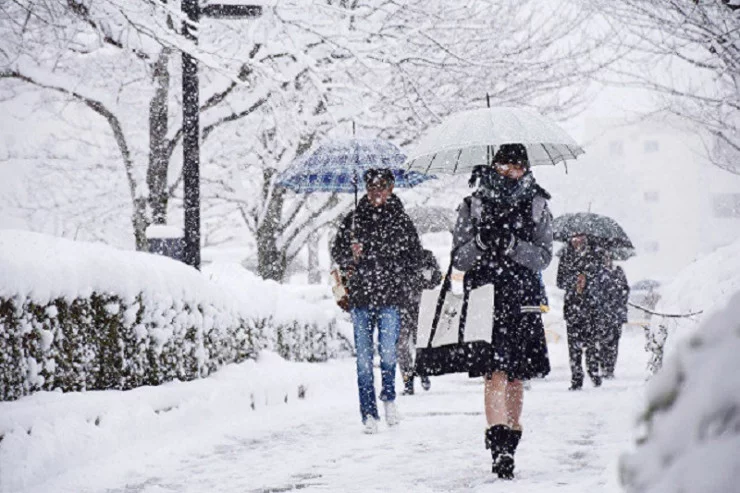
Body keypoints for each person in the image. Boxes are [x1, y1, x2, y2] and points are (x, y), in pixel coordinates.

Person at [452, 144, 553, 479]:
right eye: (506, 164)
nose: (513, 171)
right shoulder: (473, 205)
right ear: (494, 165)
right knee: (493, 372)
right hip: (485, 297)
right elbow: (459, 259)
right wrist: (481, 242)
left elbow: (543, 257)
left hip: (522, 297)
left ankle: (511, 438)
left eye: (519, 165)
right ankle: (499, 448)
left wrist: (513, 245)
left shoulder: (538, 203)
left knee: (516, 375)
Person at [331, 168, 423, 434]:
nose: (376, 192)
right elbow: (338, 253)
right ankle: (368, 413)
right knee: (362, 360)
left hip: (390, 298)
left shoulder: (401, 220)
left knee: (388, 354)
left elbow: (414, 257)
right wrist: (351, 253)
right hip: (360, 298)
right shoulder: (354, 220)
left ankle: (389, 398)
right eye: (371, 187)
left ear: (391, 188)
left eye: (381, 186)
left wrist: (395, 268)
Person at [556, 234, 605, 390]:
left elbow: (600, 279)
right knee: (574, 347)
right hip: (572, 308)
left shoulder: (595, 254)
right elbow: (560, 281)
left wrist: (587, 281)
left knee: (592, 344)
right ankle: (576, 377)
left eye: (580, 237)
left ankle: (593, 371)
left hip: (591, 308)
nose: (576, 240)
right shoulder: (565, 256)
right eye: (573, 237)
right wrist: (574, 281)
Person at [397, 248, 442, 395]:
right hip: (405, 305)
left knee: (416, 343)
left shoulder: (425, 256)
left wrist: (423, 282)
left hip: (417, 305)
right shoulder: (395, 256)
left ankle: (420, 373)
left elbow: (437, 277)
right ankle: (410, 380)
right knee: (403, 346)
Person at [593, 253, 629, 378]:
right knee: (603, 341)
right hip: (603, 313)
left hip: (616, 313)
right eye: (604, 257)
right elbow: (596, 292)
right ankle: (603, 366)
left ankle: (610, 368)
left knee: (614, 341)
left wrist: (620, 295)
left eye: (608, 257)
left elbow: (625, 289)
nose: (607, 260)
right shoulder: (598, 273)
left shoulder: (618, 271)